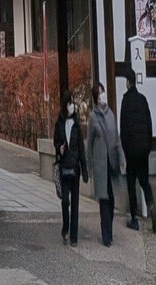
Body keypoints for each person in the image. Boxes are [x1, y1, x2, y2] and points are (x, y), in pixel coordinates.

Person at [120, 70, 156, 233]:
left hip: (132, 150)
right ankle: (151, 205)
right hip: (143, 148)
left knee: (131, 182)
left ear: (128, 82)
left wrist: (125, 151)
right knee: (144, 181)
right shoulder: (143, 100)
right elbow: (149, 125)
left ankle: (134, 218)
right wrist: (148, 146)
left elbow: (123, 128)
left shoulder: (126, 101)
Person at [88, 81, 123, 247]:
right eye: (100, 93)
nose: (102, 96)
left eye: (103, 92)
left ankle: (109, 228)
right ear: (96, 98)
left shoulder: (111, 115)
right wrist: (89, 166)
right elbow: (89, 144)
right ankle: (106, 235)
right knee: (104, 200)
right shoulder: (93, 117)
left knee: (112, 200)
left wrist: (121, 158)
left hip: (112, 163)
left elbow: (117, 138)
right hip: (101, 164)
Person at [54, 89, 88, 246]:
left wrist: (85, 169)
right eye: (69, 103)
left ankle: (73, 236)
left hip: (75, 167)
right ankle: (65, 228)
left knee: (75, 203)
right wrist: (59, 147)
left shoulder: (76, 126)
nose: (71, 106)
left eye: (72, 103)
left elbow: (81, 148)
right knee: (65, 201)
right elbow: (56, 142)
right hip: (64, 165)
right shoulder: (59, 124)